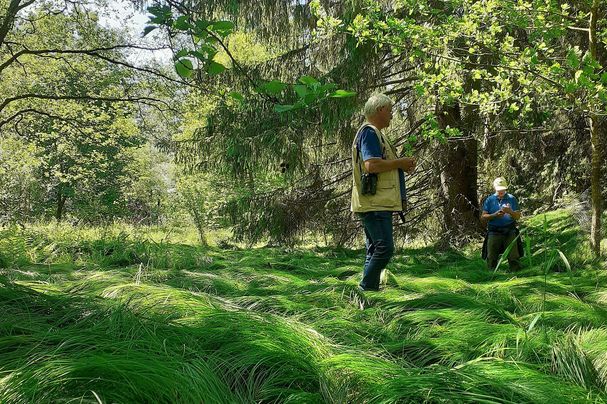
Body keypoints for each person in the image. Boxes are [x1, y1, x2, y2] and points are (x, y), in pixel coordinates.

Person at [351, 94, 416, 291]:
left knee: (374, 249)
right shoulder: (370, 133)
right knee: (384, 249)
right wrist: (400, 163)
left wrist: (400, 165)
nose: (392, 115)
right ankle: (365, 288)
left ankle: (368, 293)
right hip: (375, 203)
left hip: (375, 202)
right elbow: (371, 165)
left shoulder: (376, 134)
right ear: (380, 110)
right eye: (389, 111)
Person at [481, 177, 522, 270]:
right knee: (491, 257)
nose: (501, 192)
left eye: (503, 189)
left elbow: (517, 216)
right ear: (495, 188)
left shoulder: (512, 199)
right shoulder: (489, 200)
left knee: (514, 256)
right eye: (499, 190)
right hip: (494, 232)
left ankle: (516, 274)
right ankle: (491, 276)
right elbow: (483, 217)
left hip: (510, 231)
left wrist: (510, 211)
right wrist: (494, 215)